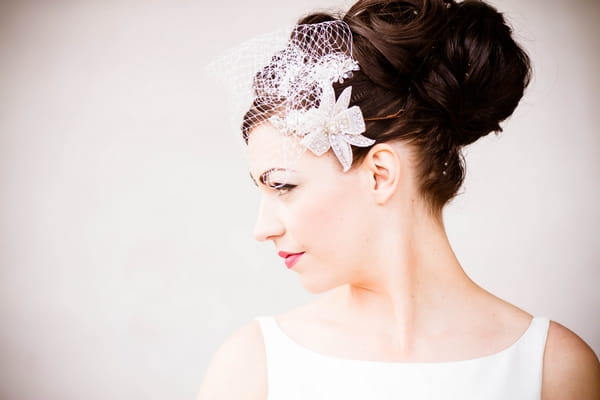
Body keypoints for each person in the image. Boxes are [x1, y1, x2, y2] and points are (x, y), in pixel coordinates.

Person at [198, 0, 600, 398]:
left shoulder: (552, 368)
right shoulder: (254, 366)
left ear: (380, 174)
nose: (261, 229)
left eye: (283, 186)